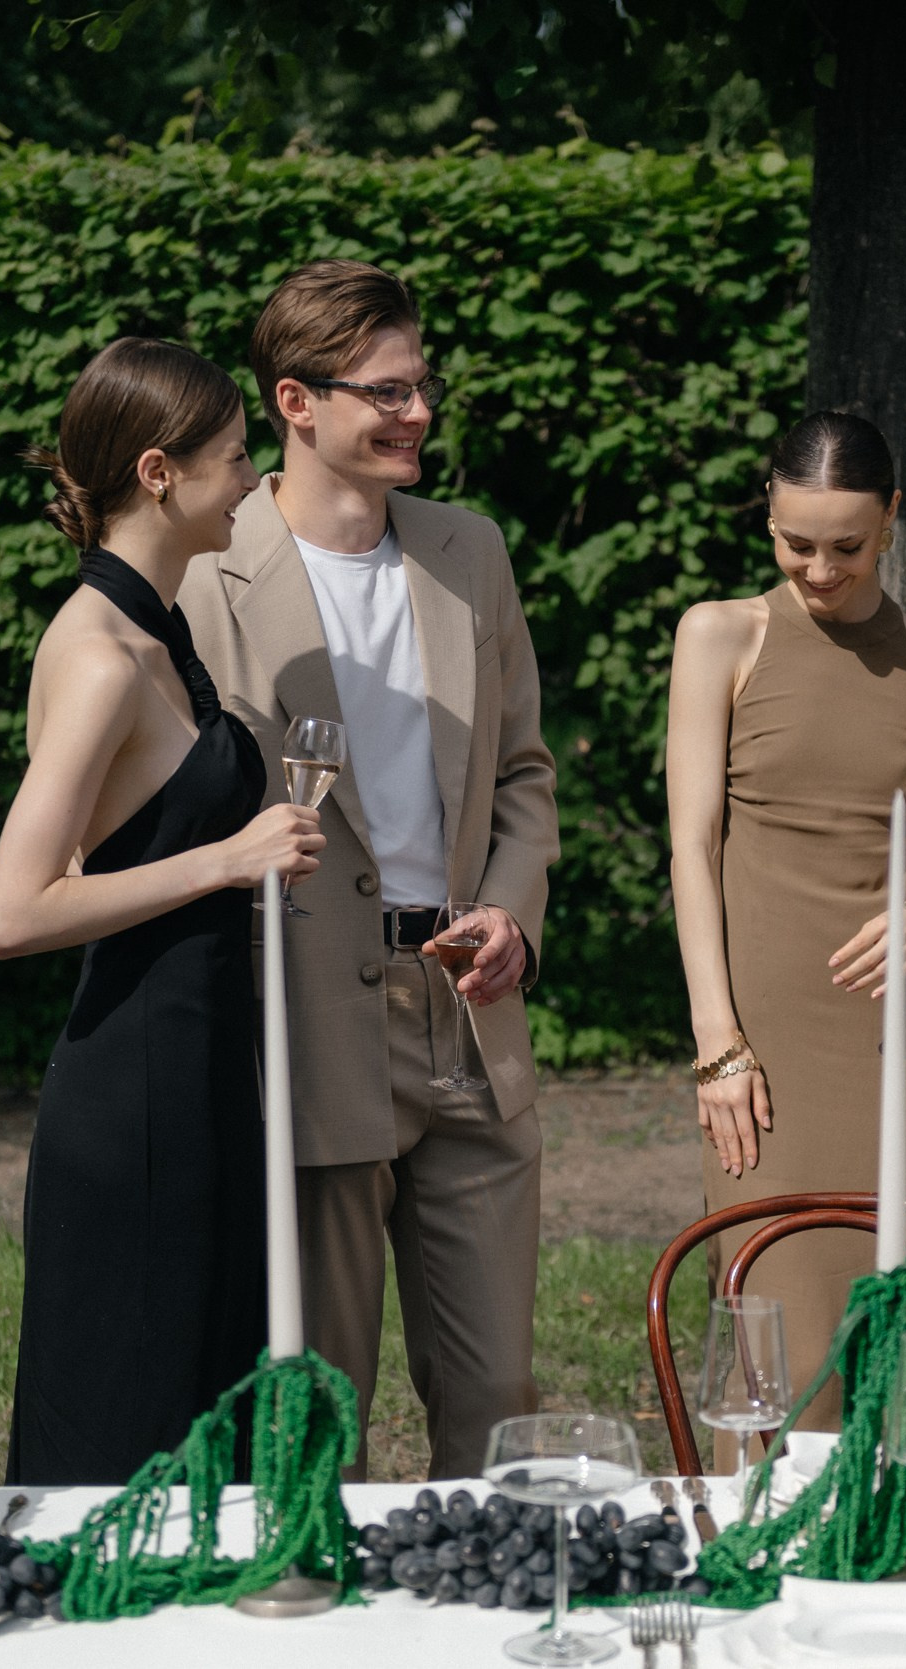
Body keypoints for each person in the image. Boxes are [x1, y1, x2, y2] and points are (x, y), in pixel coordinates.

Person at [178, 259, 558, 1480]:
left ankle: (490, 1587)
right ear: (295, 401)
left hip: (468, 1009)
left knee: (496, 1399)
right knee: (318, 1398)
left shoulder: (469, 550)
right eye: (386, 392)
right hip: (304, 1018)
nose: (418, 412)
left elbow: (524, 773)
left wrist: (512, 910)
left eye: (421, 385)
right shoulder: (203, 566)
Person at [0, 338, 326, 1485]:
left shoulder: (160, 631)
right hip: (135, 1101)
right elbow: (13, 912)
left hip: (204, 1076)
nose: (253, 481)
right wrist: (227, 859)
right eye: (234, 458)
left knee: (212, 1445)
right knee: (129, 1457)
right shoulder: (101, 656)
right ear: (159, 472)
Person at [664, 412, 906, 1430]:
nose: (818, 569)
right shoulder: (719, 635)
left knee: (894, 1345)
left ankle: (893, 1526)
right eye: (794, 542)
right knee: (775, 1352)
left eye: (845, 545)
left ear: (892, 518)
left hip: (901, 1044)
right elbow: (690, 847)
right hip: (759, 1042)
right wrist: (718, 1041)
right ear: (768, 515)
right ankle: (762, 1532)